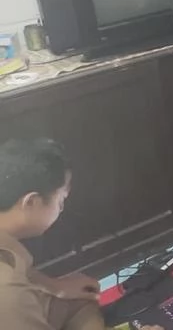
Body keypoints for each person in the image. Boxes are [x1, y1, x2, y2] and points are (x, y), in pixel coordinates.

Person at [0, 137, 163, 330]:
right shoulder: (10, 295)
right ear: (31, 202)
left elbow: (21, 270)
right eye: (61, 200)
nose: (62, 208)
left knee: (81, 302)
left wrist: (52, 285)